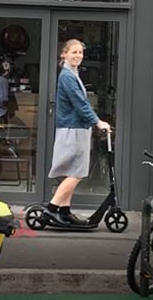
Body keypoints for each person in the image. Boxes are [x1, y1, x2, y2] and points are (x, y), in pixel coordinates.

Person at [44, 39, 111, 225]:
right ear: (64, 54)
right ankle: (51, 209)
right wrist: (98, 122)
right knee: (77, 172)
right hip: (74, 129)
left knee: (70, 172)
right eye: (73, 52)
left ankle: (64, 211)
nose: (78, 56)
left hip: (73, 128)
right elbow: (80, 104)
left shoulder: (71, 74)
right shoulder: (67, 76)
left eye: (80, 53)